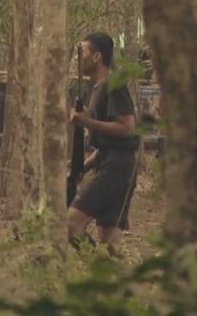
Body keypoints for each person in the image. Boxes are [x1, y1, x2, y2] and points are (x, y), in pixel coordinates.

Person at [68, 33, 139, 253]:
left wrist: (86, 121)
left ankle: (95, 263)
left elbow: (128, 128)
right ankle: (113, 279)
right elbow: (107, 143)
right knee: (110, 244)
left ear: (97, 56)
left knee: (69, 225)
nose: (77, 59)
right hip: (111, 163)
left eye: (83, 53)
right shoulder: (97, 88)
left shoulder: (113, 84)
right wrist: (80, 168)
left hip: (117, 168)